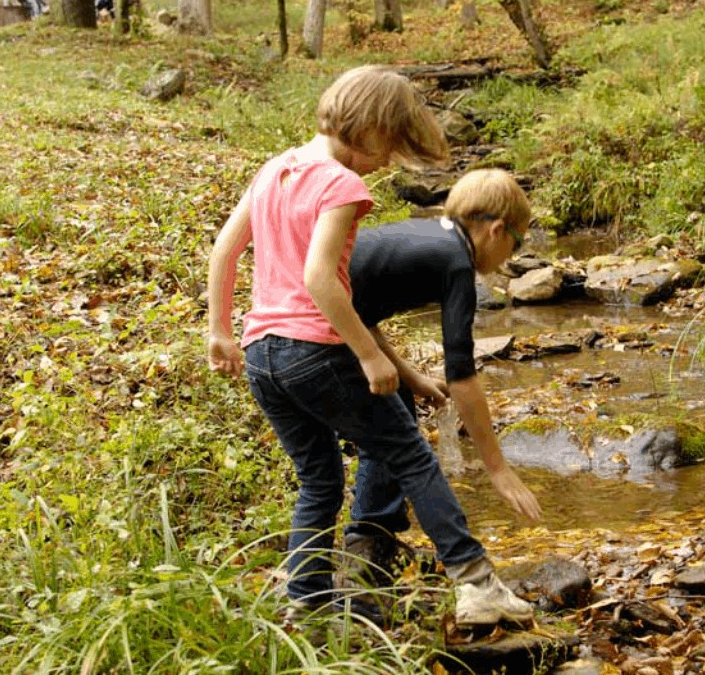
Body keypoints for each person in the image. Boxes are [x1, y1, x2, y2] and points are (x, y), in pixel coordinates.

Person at [206, 66, 533, 628]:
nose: (386, 163)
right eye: (390, 147)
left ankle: (305, 598)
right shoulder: (340, 184)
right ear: (371, 126)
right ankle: (476, 585)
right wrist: (370, 355)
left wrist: (219, 331)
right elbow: (319, 279)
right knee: (409, 455)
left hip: (262, 353)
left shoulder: (275, 169)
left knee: (319, 477)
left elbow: (225, 250)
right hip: (314, 349)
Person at [342, 170, 542, 619]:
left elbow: (361, 313)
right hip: (315, 341)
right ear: (495, 230)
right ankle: (459, 580)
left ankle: (368, 552)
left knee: (396, 410)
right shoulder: (456, 261)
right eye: (518, 243)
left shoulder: (424, 236)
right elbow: (463, 376)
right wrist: (498, 468)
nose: (513, 254)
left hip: (289, 336)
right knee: (408, 450)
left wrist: (411, 377)